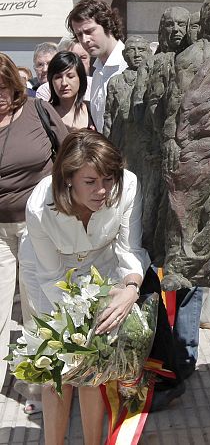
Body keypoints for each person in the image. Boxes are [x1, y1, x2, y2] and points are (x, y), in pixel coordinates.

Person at [19, 130, 160, 443]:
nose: (103, 191)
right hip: (50, 274)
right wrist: (85, 307)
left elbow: (129, 249)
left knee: (92, 366)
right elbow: (49, 276)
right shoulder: (39, 207)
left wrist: (131, 289)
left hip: (101, 266)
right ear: (68, 178)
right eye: (91, 181)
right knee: (59, 366)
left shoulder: (128, 185)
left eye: (108, 179)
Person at [0, 52, 68, 413]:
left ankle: (41, 388)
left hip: (35, 222)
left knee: (36, 307)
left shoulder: (36, 110)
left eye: (3, 87)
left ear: (15, 84)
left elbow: (70, 148)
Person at [67, 0, 127, 134]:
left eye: (89, 31)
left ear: (108, 25)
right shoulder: (97, 71)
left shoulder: (129, 65)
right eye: (79, 35)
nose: (84, 40)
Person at [47, 51, 94, 130]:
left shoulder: (93, 110)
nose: (64, 83)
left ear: (80, 79)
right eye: (58, 77)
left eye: (70, 76)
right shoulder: (44, 114)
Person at [37, 38, 93, 103]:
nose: (78, 62)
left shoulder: (96, 85)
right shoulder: (46, 90)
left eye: (83, 57)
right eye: (71, 58)